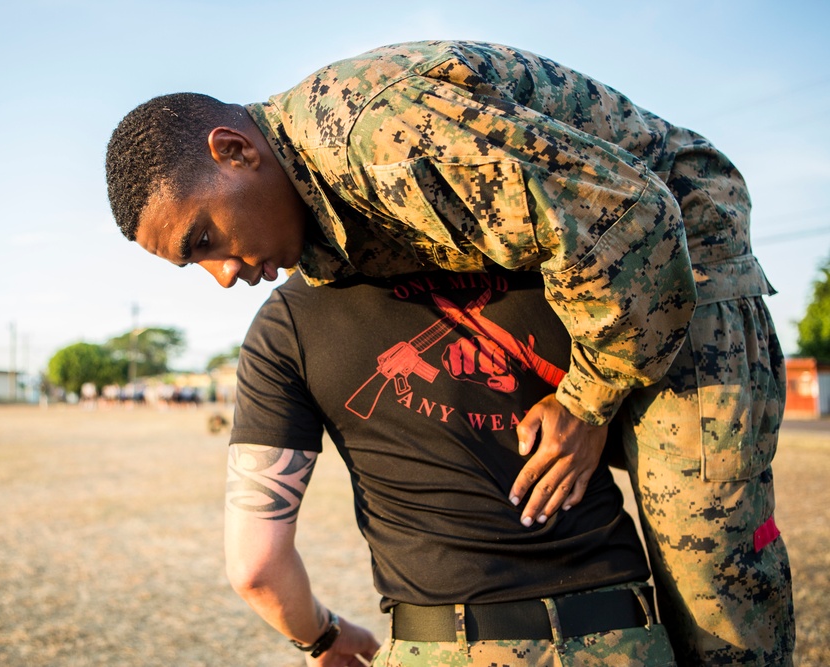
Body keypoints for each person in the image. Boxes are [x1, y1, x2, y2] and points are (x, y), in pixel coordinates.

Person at [105, 41, 793, 665]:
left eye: (203, 240)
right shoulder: (320, 214)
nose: (221, 273)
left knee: (713, 575)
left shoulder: (381, 139)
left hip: (683, 265)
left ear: (235, 150)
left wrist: (587, 403)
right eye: (193, 265)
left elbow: (633, 220)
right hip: (596, 282)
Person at [226, 265, 675, 666]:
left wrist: (323, 636)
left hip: (445, 645)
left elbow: (256, 568)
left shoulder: (289, 317)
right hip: (623, 633)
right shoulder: (558, 263)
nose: (225, 274)